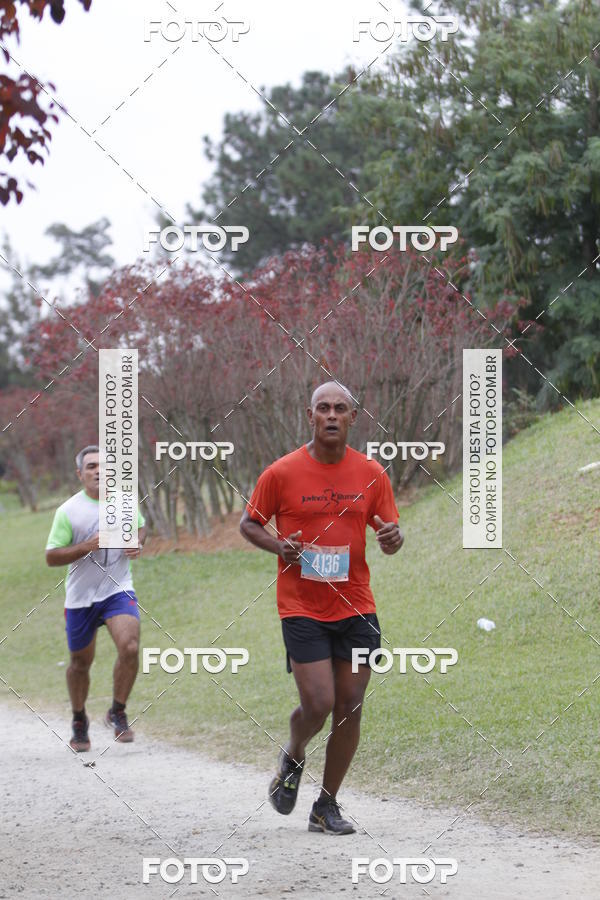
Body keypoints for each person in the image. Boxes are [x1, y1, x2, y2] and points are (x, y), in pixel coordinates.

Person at [240, 382, 403, 834]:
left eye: (341, 409)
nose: (332, 416)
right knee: (319, 702)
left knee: (350, 705)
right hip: (302, 606)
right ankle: (293, 755)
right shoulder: (282, 473)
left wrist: (394, 538)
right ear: (309, 416)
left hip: (357, 605)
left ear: (354, 417)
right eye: (323, 409)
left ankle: (325, 806)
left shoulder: (372, 473)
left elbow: (388, 533)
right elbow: (248, 524)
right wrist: (279, 545)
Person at [45, 445, 146, 752]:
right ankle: (79, 719)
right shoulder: (68, 511)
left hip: (118, 589)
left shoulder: (126, 503)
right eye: (91, 467)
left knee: (129, 647)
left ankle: (117, 711)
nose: (98, 471)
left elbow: (141, 528)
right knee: (80, 663)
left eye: (104, 466)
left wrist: (137, 544)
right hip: (81, 597)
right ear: (80, 474)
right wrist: (86, 546)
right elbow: (51, 557)